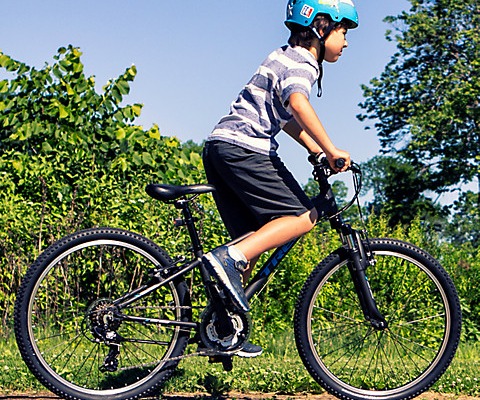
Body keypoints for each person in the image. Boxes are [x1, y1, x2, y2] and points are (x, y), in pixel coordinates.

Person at [201, 0, 359, 357]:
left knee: (252, 239)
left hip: (221, 147)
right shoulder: (303, 62)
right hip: (245, 149)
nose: (346, 42)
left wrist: (314, 150)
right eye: (344, 32)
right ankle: (229, 258)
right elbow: (299, 104)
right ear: (321, 27)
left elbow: (287, 117)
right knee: (303, 217)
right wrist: (331, 147)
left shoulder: (282, 56)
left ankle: (224, 329)